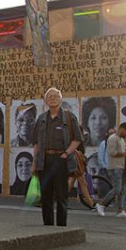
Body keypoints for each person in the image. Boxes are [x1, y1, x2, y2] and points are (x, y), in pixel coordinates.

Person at [32, 87, 84, 226]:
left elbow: (77, 139)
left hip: (61, 160)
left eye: (55, 96)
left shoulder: (69, 117)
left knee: (61, 196)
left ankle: (61, 228)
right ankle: (47, 227)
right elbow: (36, 143)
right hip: (45, 160)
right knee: (46, 196)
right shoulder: (42, 119)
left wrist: (66, 153)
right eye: (50, 96)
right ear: (45, 100)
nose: (52, 98)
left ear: (61, 99)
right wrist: (34, 163)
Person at [96, 122, 126, 218]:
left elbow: (120, 152)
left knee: (123, 189)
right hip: (115, 167)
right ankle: (101, 204)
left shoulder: (121, 139)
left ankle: (120, 210)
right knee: (117, 189)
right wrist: (125, 154)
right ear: (121, 129)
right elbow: (111, 152)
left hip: (122, 166)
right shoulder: (113, 138)